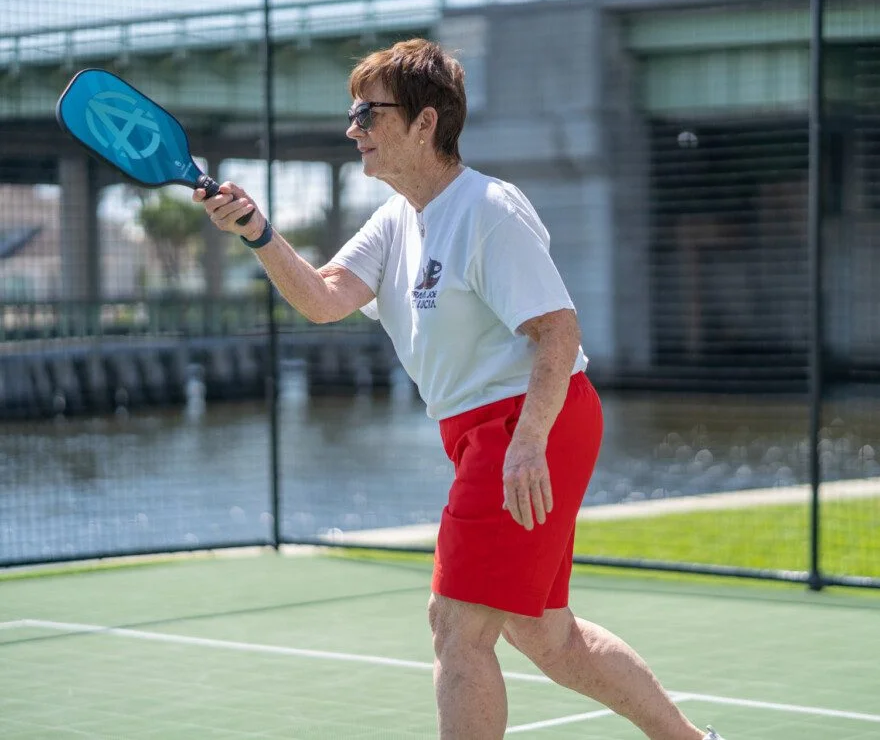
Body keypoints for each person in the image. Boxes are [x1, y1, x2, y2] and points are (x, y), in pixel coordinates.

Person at [195, 38, 725, 740]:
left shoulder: (487, 210)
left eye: (367, 113)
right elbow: (324, 299)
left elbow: (557, 333)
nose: (353, 129)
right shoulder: (396, 219)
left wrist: (527, 441)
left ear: (425, 123)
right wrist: (258, 233)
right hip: (491, 428)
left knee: (455, 625)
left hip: (526, 422)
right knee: (545, 634)